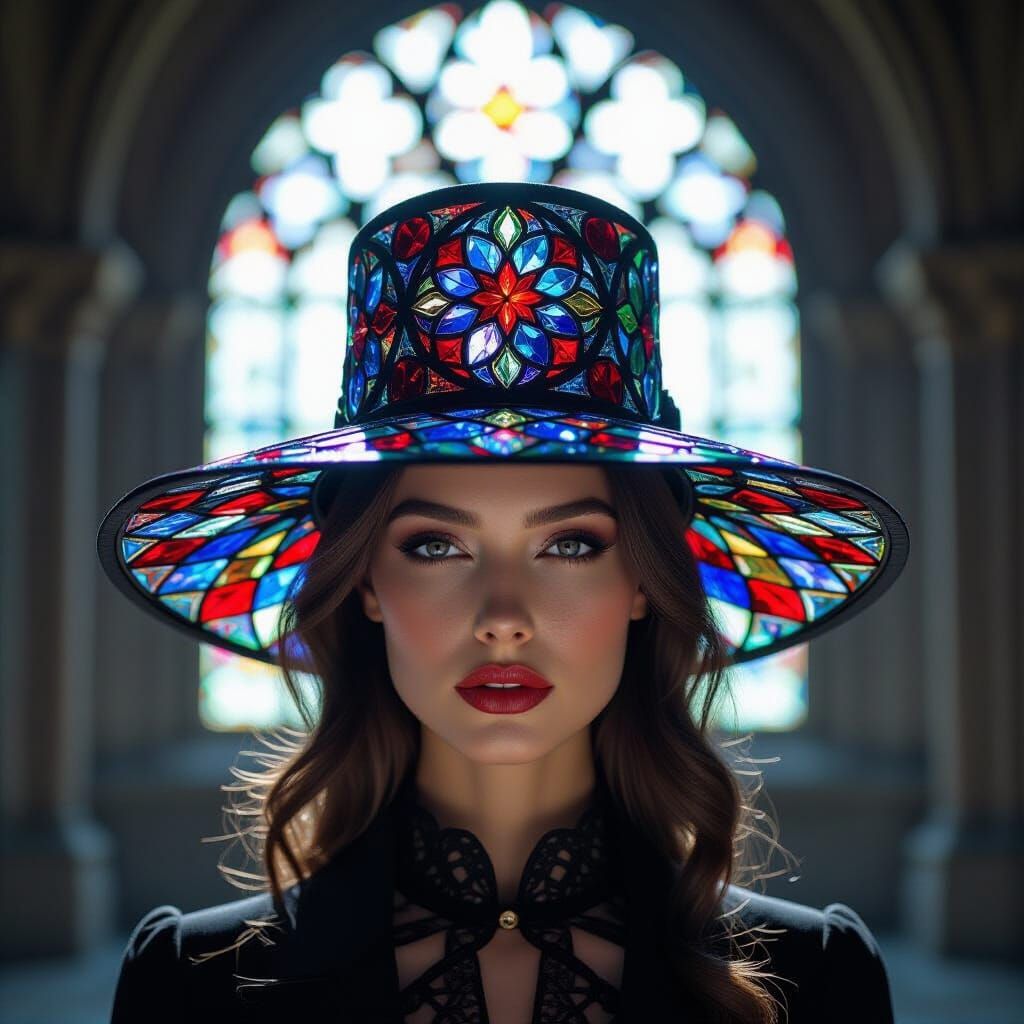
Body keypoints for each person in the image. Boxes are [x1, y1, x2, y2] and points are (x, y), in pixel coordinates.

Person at [99, 181, 908, 1022]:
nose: (503, 615)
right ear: (366, 585)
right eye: (435, 545)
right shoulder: (187, 985)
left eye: (569, 544)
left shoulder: (820, 980)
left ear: (643, 582)